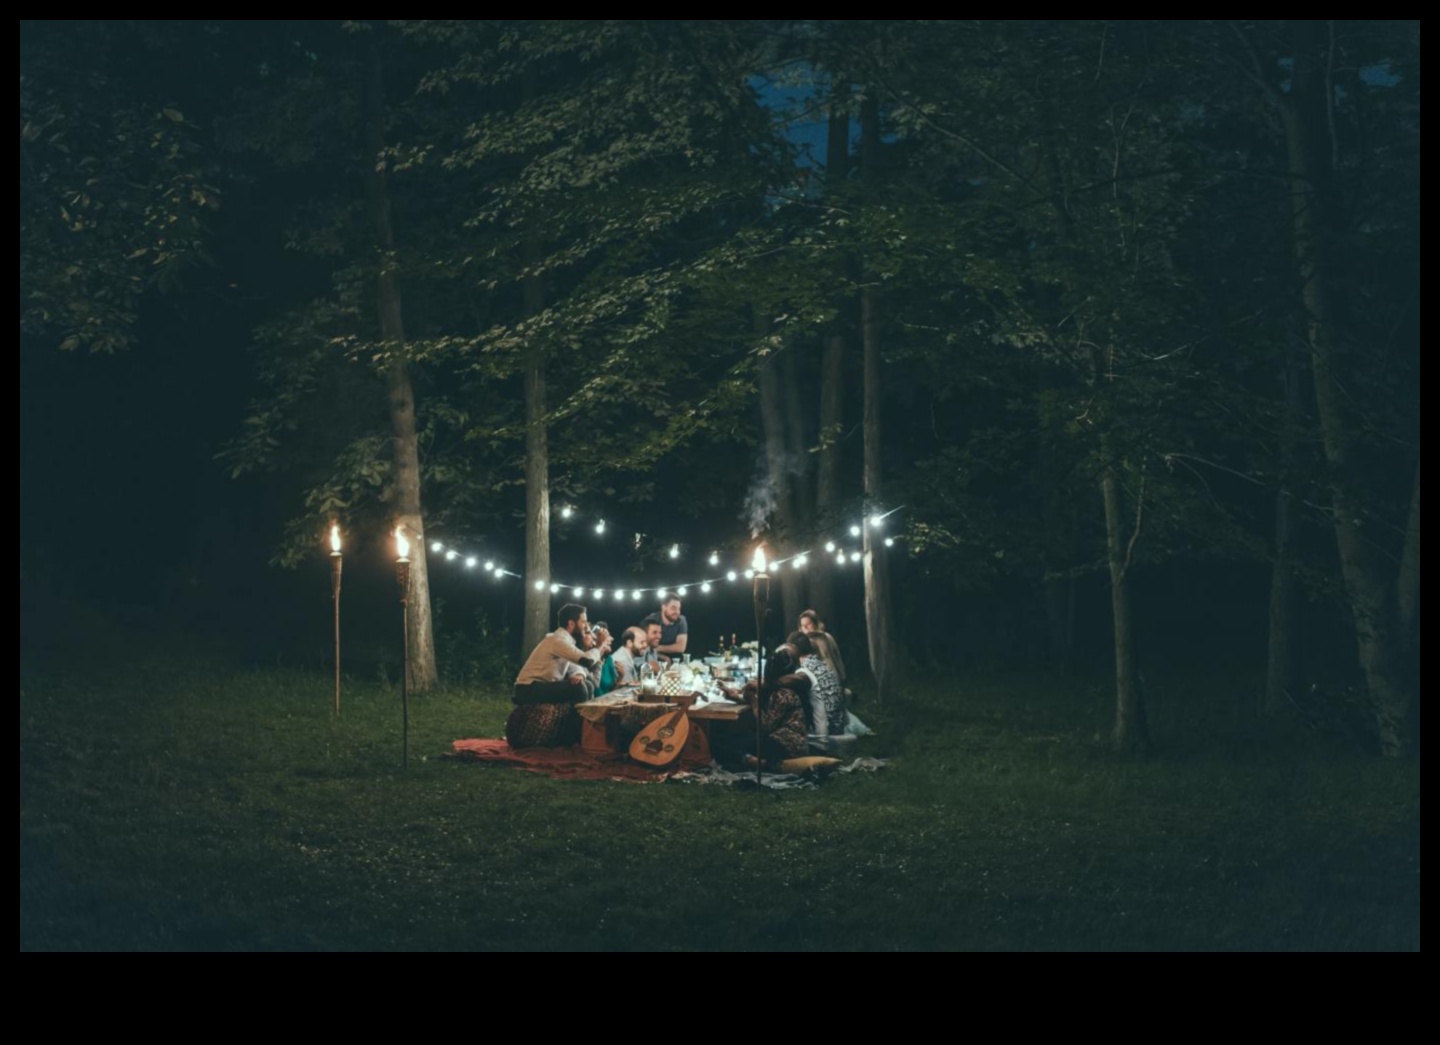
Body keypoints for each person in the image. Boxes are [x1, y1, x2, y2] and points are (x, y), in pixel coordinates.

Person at [508, 604, 611, 748]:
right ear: (571, 623)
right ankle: (571, 739)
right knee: (579, 689)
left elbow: (577, 665)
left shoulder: (566, 642)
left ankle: (581, 734)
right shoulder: (557, 641)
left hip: (541, 686)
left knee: (586, 684)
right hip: (528, 689)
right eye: (583, 622)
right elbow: (586, 660)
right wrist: (600, 646)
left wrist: (580, 674)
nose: (586, 626)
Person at [714, 644, 809, 770]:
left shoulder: (784, 693)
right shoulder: (779, 689)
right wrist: (735, 697)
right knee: (730, 741)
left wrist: (754, 701)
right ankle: (750, 761)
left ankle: (757, 763)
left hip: (786, 745)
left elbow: (766, 725)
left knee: (722, 746)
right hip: (780, 741)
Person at [788, 630, 851, 751]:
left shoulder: (803, 671)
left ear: (793, 649)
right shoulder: (821, 665)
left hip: (824, 732)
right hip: (837, 725)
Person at [798, 609, 847, 683]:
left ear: (815, 623)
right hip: (816, 682)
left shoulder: (827, 637)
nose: (805, 627)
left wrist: (843, 677)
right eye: (802, 625)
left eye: (808, 624)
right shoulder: (802, 643)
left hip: (833, 676)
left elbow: (837, 657)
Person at [643, 595, 688, 659]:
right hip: (653, 658)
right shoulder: (651, 620)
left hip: (675, 659)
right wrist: (665, 658)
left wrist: (657, 648)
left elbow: (681, 647)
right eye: (673, 608)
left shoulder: (681, 621)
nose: (677, 612)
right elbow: (644, 647)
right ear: (664, 607)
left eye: (679, 609)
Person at [609, 626, 649, 691]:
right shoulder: (623, 661)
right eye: (642, 642)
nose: (645, 645)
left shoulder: (626, 656)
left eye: (646, 642)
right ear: (629, 643)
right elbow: (628, 690)